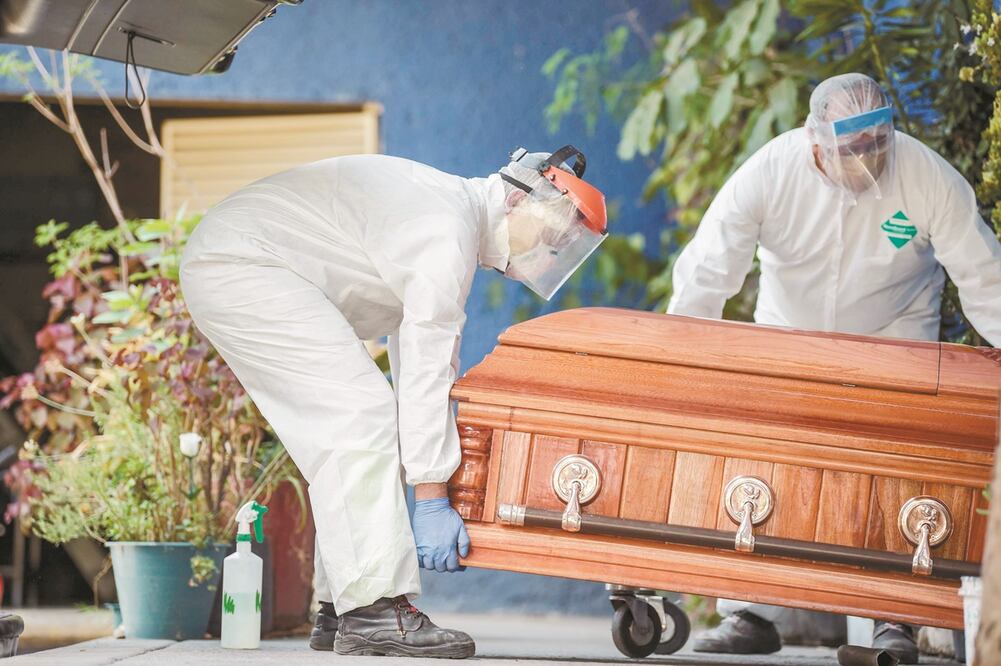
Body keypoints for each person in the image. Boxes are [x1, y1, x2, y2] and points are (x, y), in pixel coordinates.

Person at [180, 146, 607, 658]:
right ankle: (372, 611)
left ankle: (343, 606)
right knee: (357, 419)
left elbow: (420, 371)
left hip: (237, 260)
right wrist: (430, 498)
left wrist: (430, 476)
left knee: (356, 419)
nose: (546, 255)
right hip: (243, 263)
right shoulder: (447, 229)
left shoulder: (447, 218)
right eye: (551, 237)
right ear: (527, 201)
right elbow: (428, 368)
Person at [667, 72, 1001, 663]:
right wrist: (684, 359)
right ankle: (750, 612)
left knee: (896, 468)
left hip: (896, 335)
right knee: (766, 459)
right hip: (789, 333)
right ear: (814, 140)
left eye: (879, 142)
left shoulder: (927, 177)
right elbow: (709, 267)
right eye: (853, 148)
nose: (870, 158)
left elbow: (984, 276)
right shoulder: (771, 172)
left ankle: (894, 619)